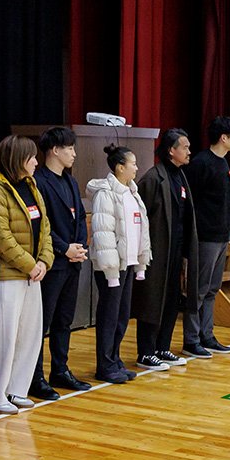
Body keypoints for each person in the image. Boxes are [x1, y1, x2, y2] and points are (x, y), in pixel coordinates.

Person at [0, 135, 55, 414]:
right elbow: (1, 238)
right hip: (7, 276)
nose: (36, 162)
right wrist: (30, 264)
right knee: (5, 335)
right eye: (31, 157)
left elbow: (44, 228)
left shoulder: (31, 187)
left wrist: (44, 262)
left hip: (32, 273)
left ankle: (16, 389)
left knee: (30, 333)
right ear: (17, 160)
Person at [30, 127, 91, 396]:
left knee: (64, 320)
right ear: (55, 150)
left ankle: (60, 369)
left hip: (72, 261)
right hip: (52, 262)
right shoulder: (40, 181)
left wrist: (79, 247)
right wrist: (64, 248)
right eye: (69, 148)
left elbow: (79, 219)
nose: (74, 154)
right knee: (42, 322)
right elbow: (41, 224)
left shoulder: (69, 181)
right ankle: (35, 376)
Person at [133, 128, 202, 366]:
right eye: (185, 147)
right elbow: (141, 217)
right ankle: (146, 351)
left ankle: (163, 347)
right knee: (153, 300)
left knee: (173, 299)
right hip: (157, 251)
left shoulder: (181, 175)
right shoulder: (153, 178)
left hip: (177, 249)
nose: (189, 151)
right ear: (171, 150)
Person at [87, 146, 153, 381]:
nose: (136, 167)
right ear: (120, 167)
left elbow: (141, 230)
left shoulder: (133, 193)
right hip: (112, 268)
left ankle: (114, 358)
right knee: (109, 316)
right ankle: (104, 365)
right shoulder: (106, 193)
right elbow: (103, 233)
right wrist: (111, 271)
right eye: (132, 163)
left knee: (122, 315)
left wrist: (141, 262)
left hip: (128, 263)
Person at [184, 117, 230, 355]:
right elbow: (191, 200)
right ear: (223, 137)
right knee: (198, 288)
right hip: (205, 236)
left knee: (212, 289)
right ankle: (191, 339)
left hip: (221, 235)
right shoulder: (201, 163)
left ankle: (207, 335)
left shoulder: (224, 164)